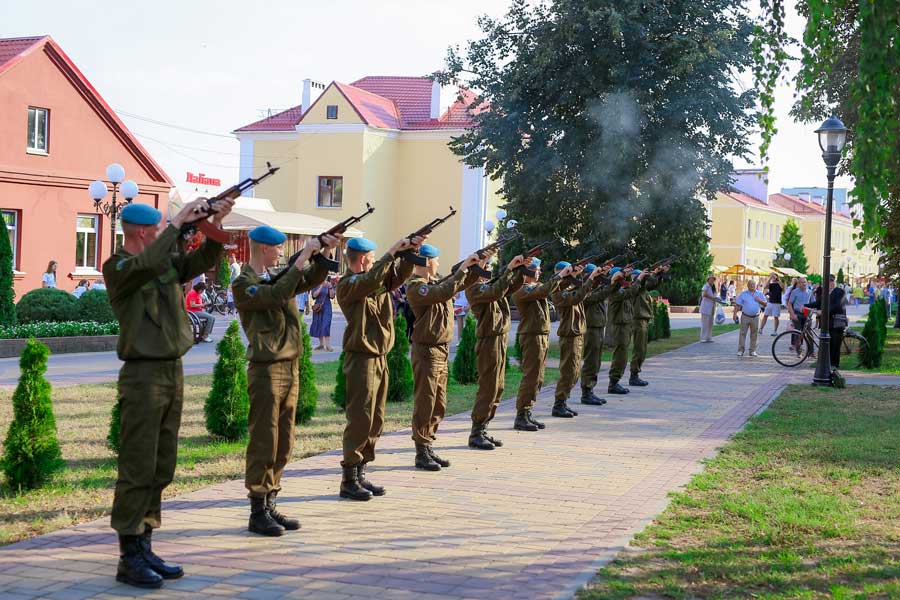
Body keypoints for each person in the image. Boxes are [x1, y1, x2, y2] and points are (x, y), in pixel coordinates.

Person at [103, 197, 233, 588]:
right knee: (138, 465)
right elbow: (147, 264)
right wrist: (177, 222)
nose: (165, 234)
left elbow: (198, 264)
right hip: (143, 376)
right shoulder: (120, 268)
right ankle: (129, 555)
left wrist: (213, 225)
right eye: (159, 229)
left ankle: (145, 540)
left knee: (162, 464)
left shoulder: (161, 263)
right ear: (143, 232)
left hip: (171, 371)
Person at [232, 225, 337, 537]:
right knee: (265, 439)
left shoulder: (279, 276)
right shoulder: (244, 284)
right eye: (277, 248)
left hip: (289, 367)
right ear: (264, 248)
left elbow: (308, 280)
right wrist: (303, 254)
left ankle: (271, 500)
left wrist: (323, 254)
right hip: (266, 370)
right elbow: (277, 293)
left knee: (285, 441)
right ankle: (257, 508)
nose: (281, 252)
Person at [335, 234, 423, 500]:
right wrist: (391, 252)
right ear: (362, 261)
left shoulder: (371, 282)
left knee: (375, 419)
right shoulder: (348, 284)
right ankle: (349, 478)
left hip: (378, 356)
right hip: (361, 358)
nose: (375, 265)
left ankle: (361, 471)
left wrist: (408, 254)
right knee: (360, 418)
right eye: (372, 260)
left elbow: (394, 279)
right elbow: (372, 279)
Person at [406, 245, 481, 471]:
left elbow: (458, 284)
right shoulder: (416, 287)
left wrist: (478, 266)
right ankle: (421, 451)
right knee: (425, 402)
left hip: (441, 350)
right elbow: (444, 291)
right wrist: (463, 268)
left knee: (438, 403)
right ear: (428, 261)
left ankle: (428, 445)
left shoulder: (436, 284)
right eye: (436, 260)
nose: (438, 264)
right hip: (426, 351)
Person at [465, 254, 526, 449]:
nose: (489, 267)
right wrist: (509, 269)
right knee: (488, 388)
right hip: (489, 341)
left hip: (499, 339)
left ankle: (483, 428)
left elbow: (510, 287)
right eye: (486, 264)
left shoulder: (488, 285)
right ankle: (476, 433)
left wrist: (520, 270)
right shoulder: (475, 287)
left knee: (497, 388)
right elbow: (496, 290)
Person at [511, 258, 570, 431]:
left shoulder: (535, 287)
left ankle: (528, 412)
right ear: (527, 271)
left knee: (538, 377)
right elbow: (545, 289)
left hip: (540, 336)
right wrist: (559, 276)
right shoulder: (523, 289)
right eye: (537, 269)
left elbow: (551, 288)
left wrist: (567, 276)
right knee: (531, 376)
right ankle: (521, 415)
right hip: (531, 336)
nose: (540, 272)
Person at [551, 261, 602, 417]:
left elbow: (583, 292)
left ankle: (563, 402)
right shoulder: (558, 291)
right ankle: (558, 404)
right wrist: (591, 277)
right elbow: (578, 296)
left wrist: (594, 278)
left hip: (577, 333)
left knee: (574, 372)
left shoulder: (571, 288)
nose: (577, 276)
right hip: (569, 335)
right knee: (568, 371)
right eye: (572, 273)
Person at [580, 263, 616, 404]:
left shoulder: (593, 288)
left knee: (596, 361)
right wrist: (611, 283)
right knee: (591, 361)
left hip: (598, 327)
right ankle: (586, 392)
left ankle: (590, 390)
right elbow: (596, 297)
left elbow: (601, 292)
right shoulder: (585, 289)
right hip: (590, 328)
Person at [628, 266, 667, 386]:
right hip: (637, 320)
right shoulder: (635, 287)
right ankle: (634, 375)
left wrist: (659, 274)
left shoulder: (642, 288)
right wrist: (652, 274)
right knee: (639, 349)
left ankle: (636, 373)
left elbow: (652, 285)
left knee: (642, 349)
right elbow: (641, 285)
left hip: (642, 320)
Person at [607, 266, 641, 394]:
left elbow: (632, 290)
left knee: (623, 355)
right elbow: (630, 292)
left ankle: (616, 381)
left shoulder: (622, 289)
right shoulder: (615, 292)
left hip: (625, 325)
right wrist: (638, 280)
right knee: (620, 355)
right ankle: (613, 382)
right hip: (619, 326)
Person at [804, 274, 848, 368]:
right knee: (829, 343)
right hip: (829, 322)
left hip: (837, 321)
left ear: (834, 282)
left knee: (835, 344)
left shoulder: (840, 291)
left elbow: (837, 305)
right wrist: (806, 305)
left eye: (832, 281)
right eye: (828, 281)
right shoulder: (826, 292)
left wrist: (823, 311)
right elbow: (818, 303)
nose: (830, 283)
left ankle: (835, 364)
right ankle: (829, 363)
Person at [732, 279, 767, 357]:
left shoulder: (760, 294)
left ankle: (752, 350)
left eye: (753, 284)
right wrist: (735, 314)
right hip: (745, 316)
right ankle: (740, 350)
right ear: (747, 286)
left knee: (754, 334)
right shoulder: (743, 294)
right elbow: (738, 305)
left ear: (756, 285)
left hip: (756, 317)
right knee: (742, 333)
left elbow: (765, 304)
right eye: (750, 284)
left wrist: (759, 300)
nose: (752, 286)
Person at [786, 277, 813, 349]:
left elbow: (813, 303)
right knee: (797, 330)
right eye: (802, 282)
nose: (804, 283)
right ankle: (796, 347)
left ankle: (807, 348)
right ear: (798, 283)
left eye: (805, 282)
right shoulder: (795, 291)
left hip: (806, 312)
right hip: (797, 312)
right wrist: (792, 314)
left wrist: (810, 313)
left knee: (807, 330)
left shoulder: (810, 292)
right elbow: (790, 303)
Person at [310, 277, 336, 351]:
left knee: (326, 324)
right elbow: (314, 296)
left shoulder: (329, 284)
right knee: (319, 324)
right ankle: (321, 344)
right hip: (318, 307)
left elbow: (332, 296)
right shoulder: (315, 284)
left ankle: (328, 345)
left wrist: (330, 287)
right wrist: (321, 286)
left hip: (327, 306)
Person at [699, 275, 719, 343]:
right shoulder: (706, 286)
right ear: (708, 280)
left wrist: (717, 299)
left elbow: (715, 296)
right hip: (705, 307)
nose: (712, 280)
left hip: (712, 307)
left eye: (713, 279)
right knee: (705, 323)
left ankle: (709, 337)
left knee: (710, 323)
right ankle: (703, 338)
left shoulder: (713, 287)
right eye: (711, 279)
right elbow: (704, 294)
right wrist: (712, 298)